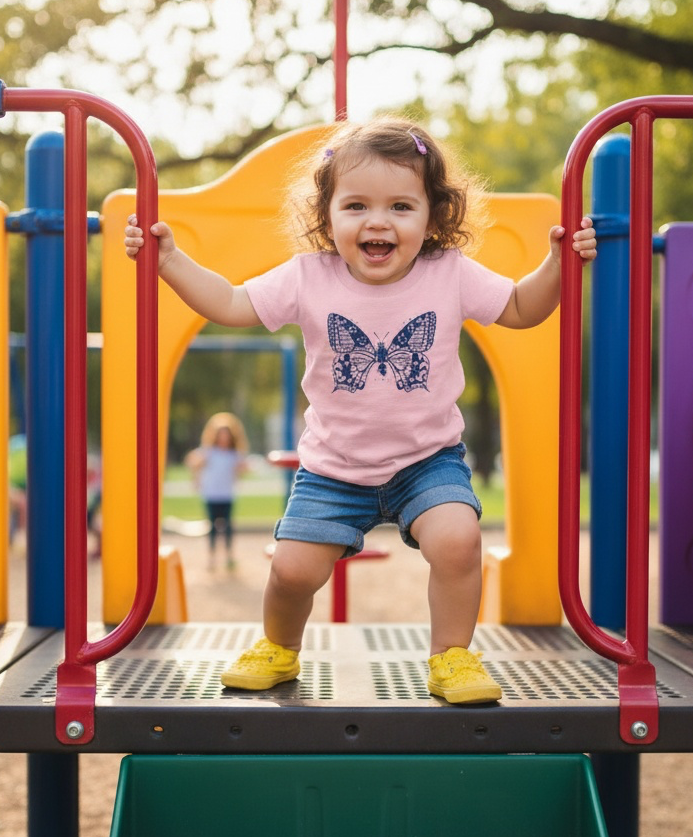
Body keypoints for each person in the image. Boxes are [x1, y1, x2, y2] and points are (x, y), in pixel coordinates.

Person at [125, 116, 596, 704]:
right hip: (333, 468)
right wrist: (170, 262)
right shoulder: (307, 277)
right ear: (327, 216)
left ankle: (452, 656)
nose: (378, 221)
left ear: (433, 216)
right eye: (356, 206)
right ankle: (278, 647)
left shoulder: (447, 274)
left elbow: (523, 307)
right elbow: (230, 302)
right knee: (293, 570)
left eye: (401, 206)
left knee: (457, 539)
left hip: (428, 461)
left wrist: (557, 265)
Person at [186, 411, 249, 570]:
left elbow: (242, 468)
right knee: (213, 527)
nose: (224, 438)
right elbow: (193, 462)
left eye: (226, 435)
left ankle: (229, 556)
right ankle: (212, 557)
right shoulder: (208, 452)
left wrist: (242, 469)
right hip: (211, 494)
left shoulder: (233, 454)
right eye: (221, 434)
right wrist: (196, 479)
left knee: (227, 526)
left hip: (226, 494)